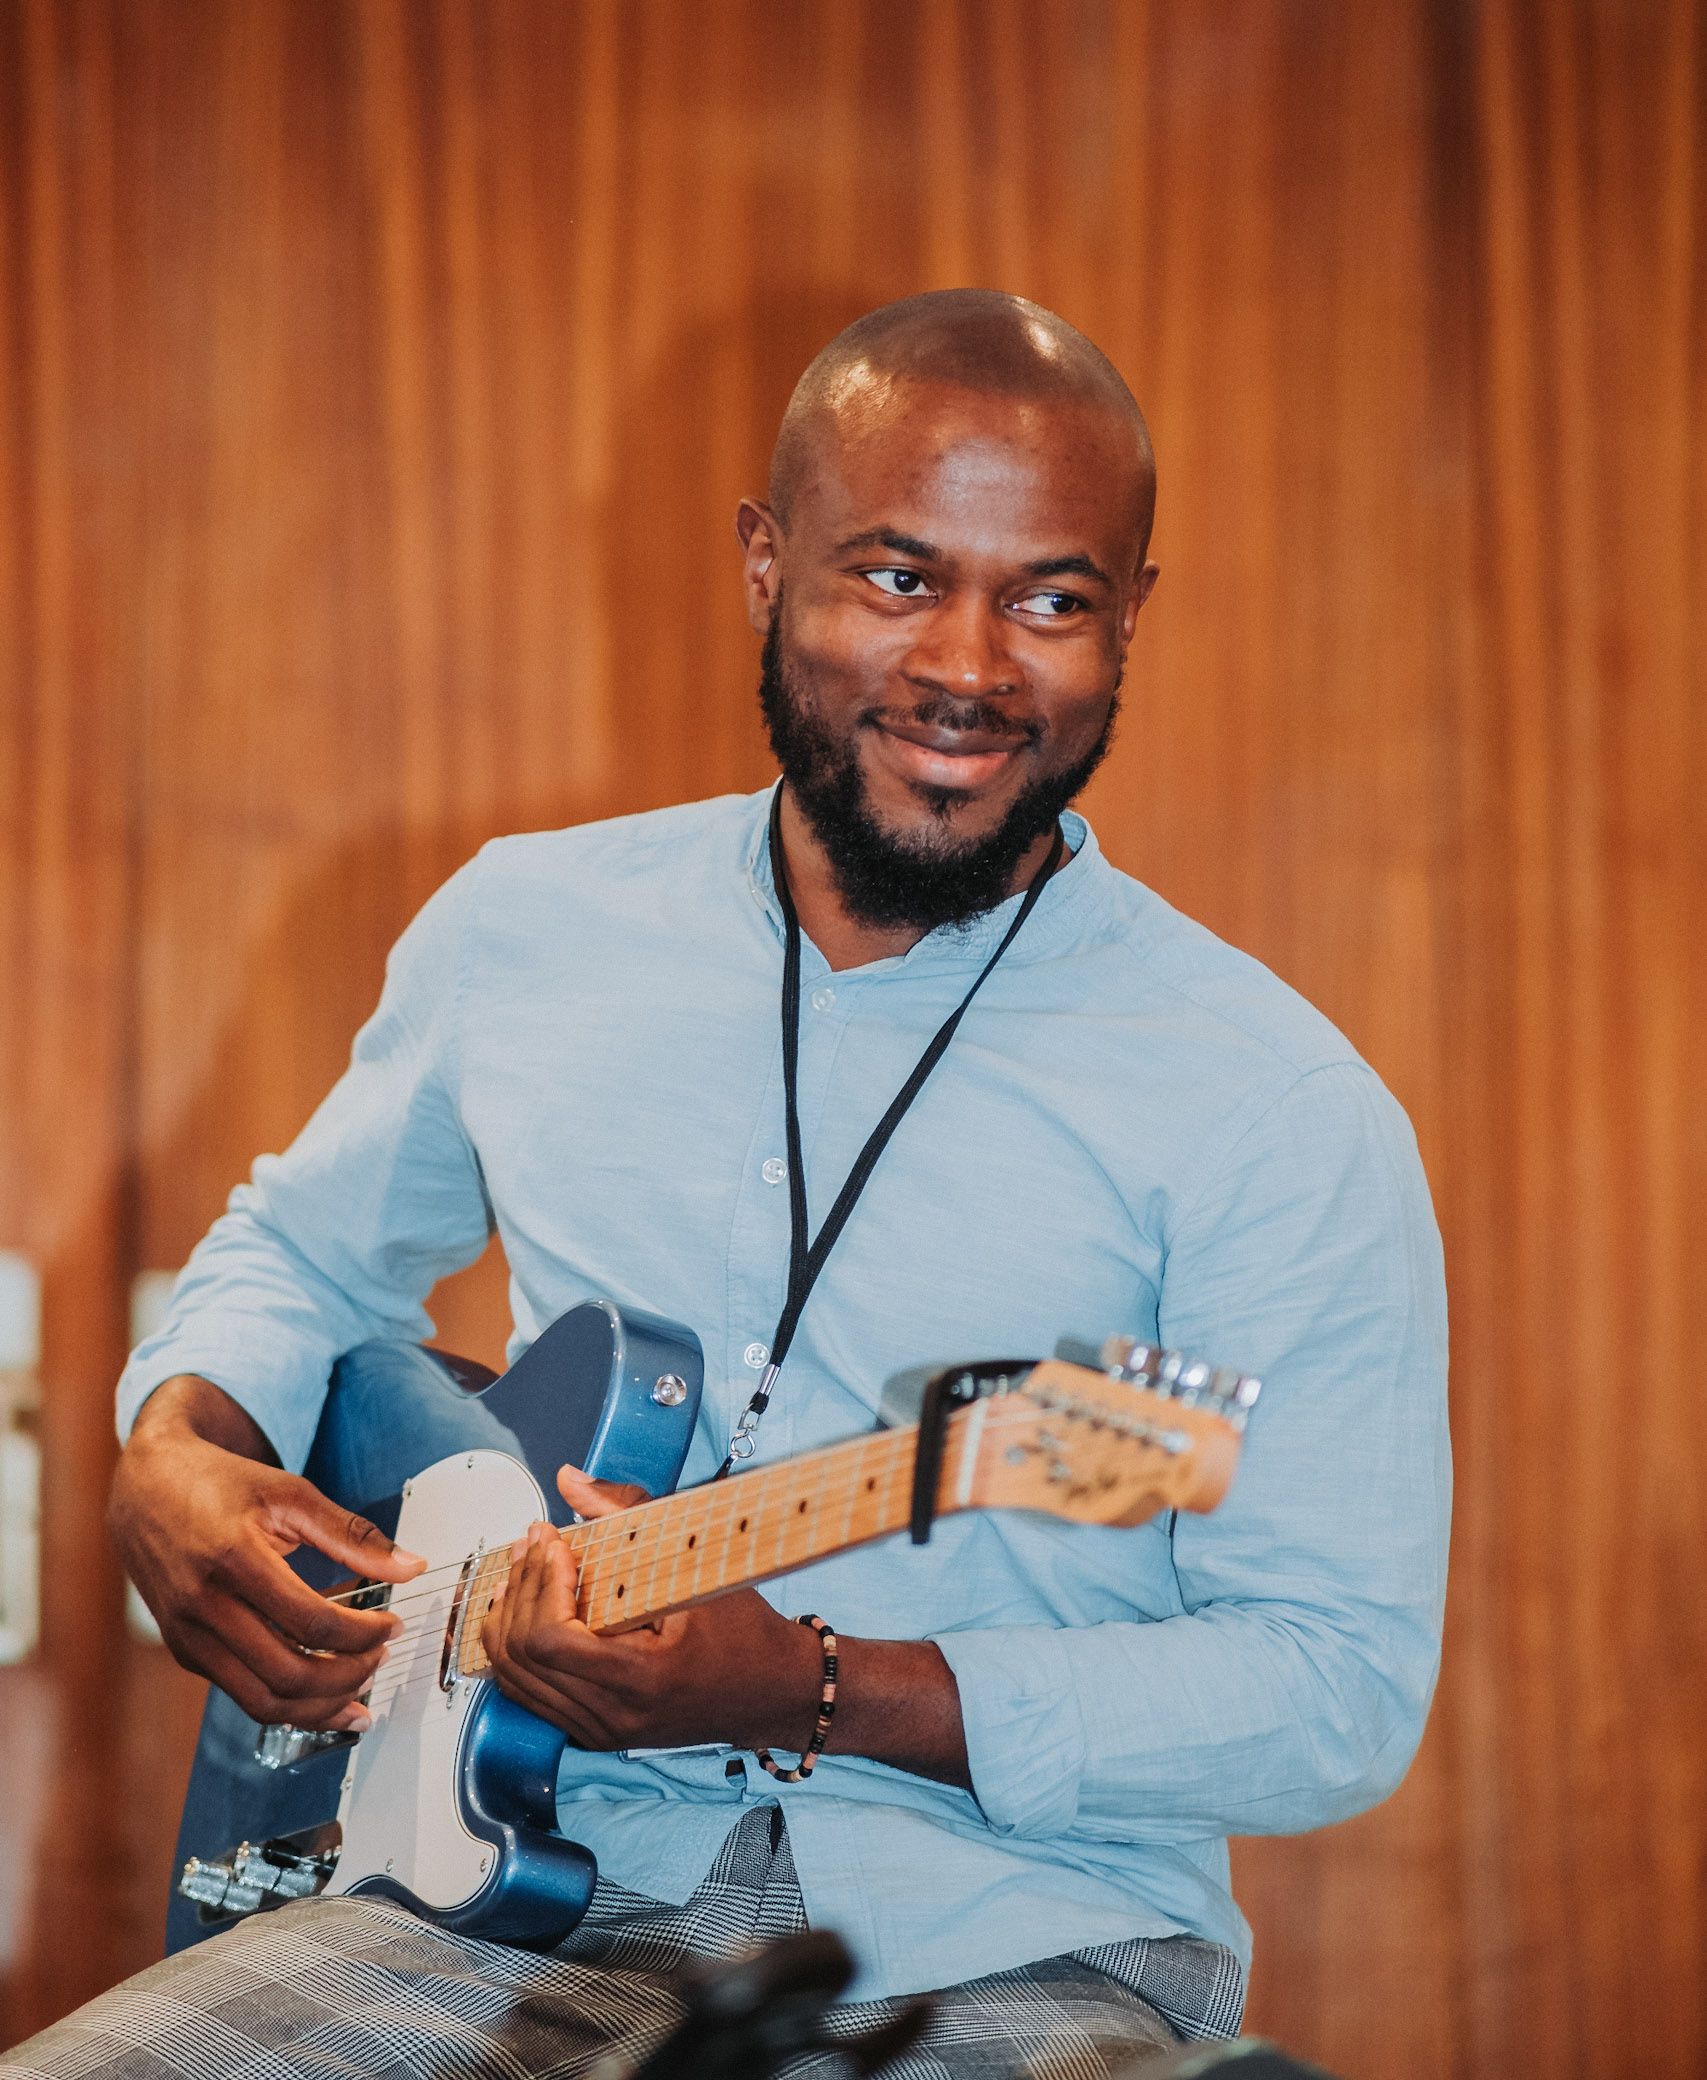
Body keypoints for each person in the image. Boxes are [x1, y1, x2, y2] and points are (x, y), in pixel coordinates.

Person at [8, 289, 1449, 2080]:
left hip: (1011, 1956)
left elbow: (1333, 1687)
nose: (972, 668)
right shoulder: (525, 932)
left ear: (1132, 616)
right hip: (464, 1918)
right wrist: (170, 1451)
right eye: (900, 577)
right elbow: (303, 1256)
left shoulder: (1278, 1108)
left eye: (1052, 601)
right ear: (767, 566)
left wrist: (818, 1686)